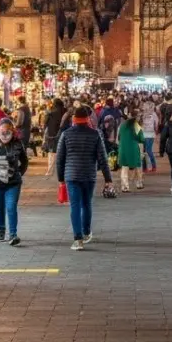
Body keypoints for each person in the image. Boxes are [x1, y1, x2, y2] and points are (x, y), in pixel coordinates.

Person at [56, 106, 114, 250]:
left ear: (74, 119)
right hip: (89, 175)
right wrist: (108, 179)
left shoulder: (66, 134)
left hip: (71, 175)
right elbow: (102, 158)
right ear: (87, 119)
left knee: (75, 206)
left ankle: (78, 239)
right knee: (86, 204)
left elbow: (60, 158)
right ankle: (87, 232)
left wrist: (61, 178)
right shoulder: (95, 134)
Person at [0, 118, 29, 247]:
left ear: (12, 130)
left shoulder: (18, 144)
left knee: (11, 207)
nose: (5, 134)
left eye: (8, 130)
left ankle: (13, 234)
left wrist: (20, 172)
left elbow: (24, 161)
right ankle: (1, 231)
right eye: (2, 130)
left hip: (13, 183)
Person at [117, 109, 145, 192]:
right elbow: (141, 139)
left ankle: (125, 187)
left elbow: (119, 137)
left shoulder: (122, 125)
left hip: (123, 149)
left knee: (124, 168)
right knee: (138, 166)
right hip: (134, 149)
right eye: (139, 116)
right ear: (136, 117)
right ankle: (139, 183)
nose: (140, 118)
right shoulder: (136, 126)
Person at [43, 99, 65, 176]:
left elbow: (45, 123)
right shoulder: (65, 112)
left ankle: (50, 171)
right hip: (64, 134)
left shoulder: (51, 113)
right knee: (64, 152)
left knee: (52, 153)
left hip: (52, 135)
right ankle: (63, 170)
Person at [140, 102, 159, 172]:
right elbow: (140, 122)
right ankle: (145, 168)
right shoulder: (143, 114)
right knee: (145, 151)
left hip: (149, 134)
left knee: (148, 150)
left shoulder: (153, 114)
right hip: (144, 134)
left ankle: (153, 166)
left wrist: (155, 132)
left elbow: (156, 124)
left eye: (145, 106)